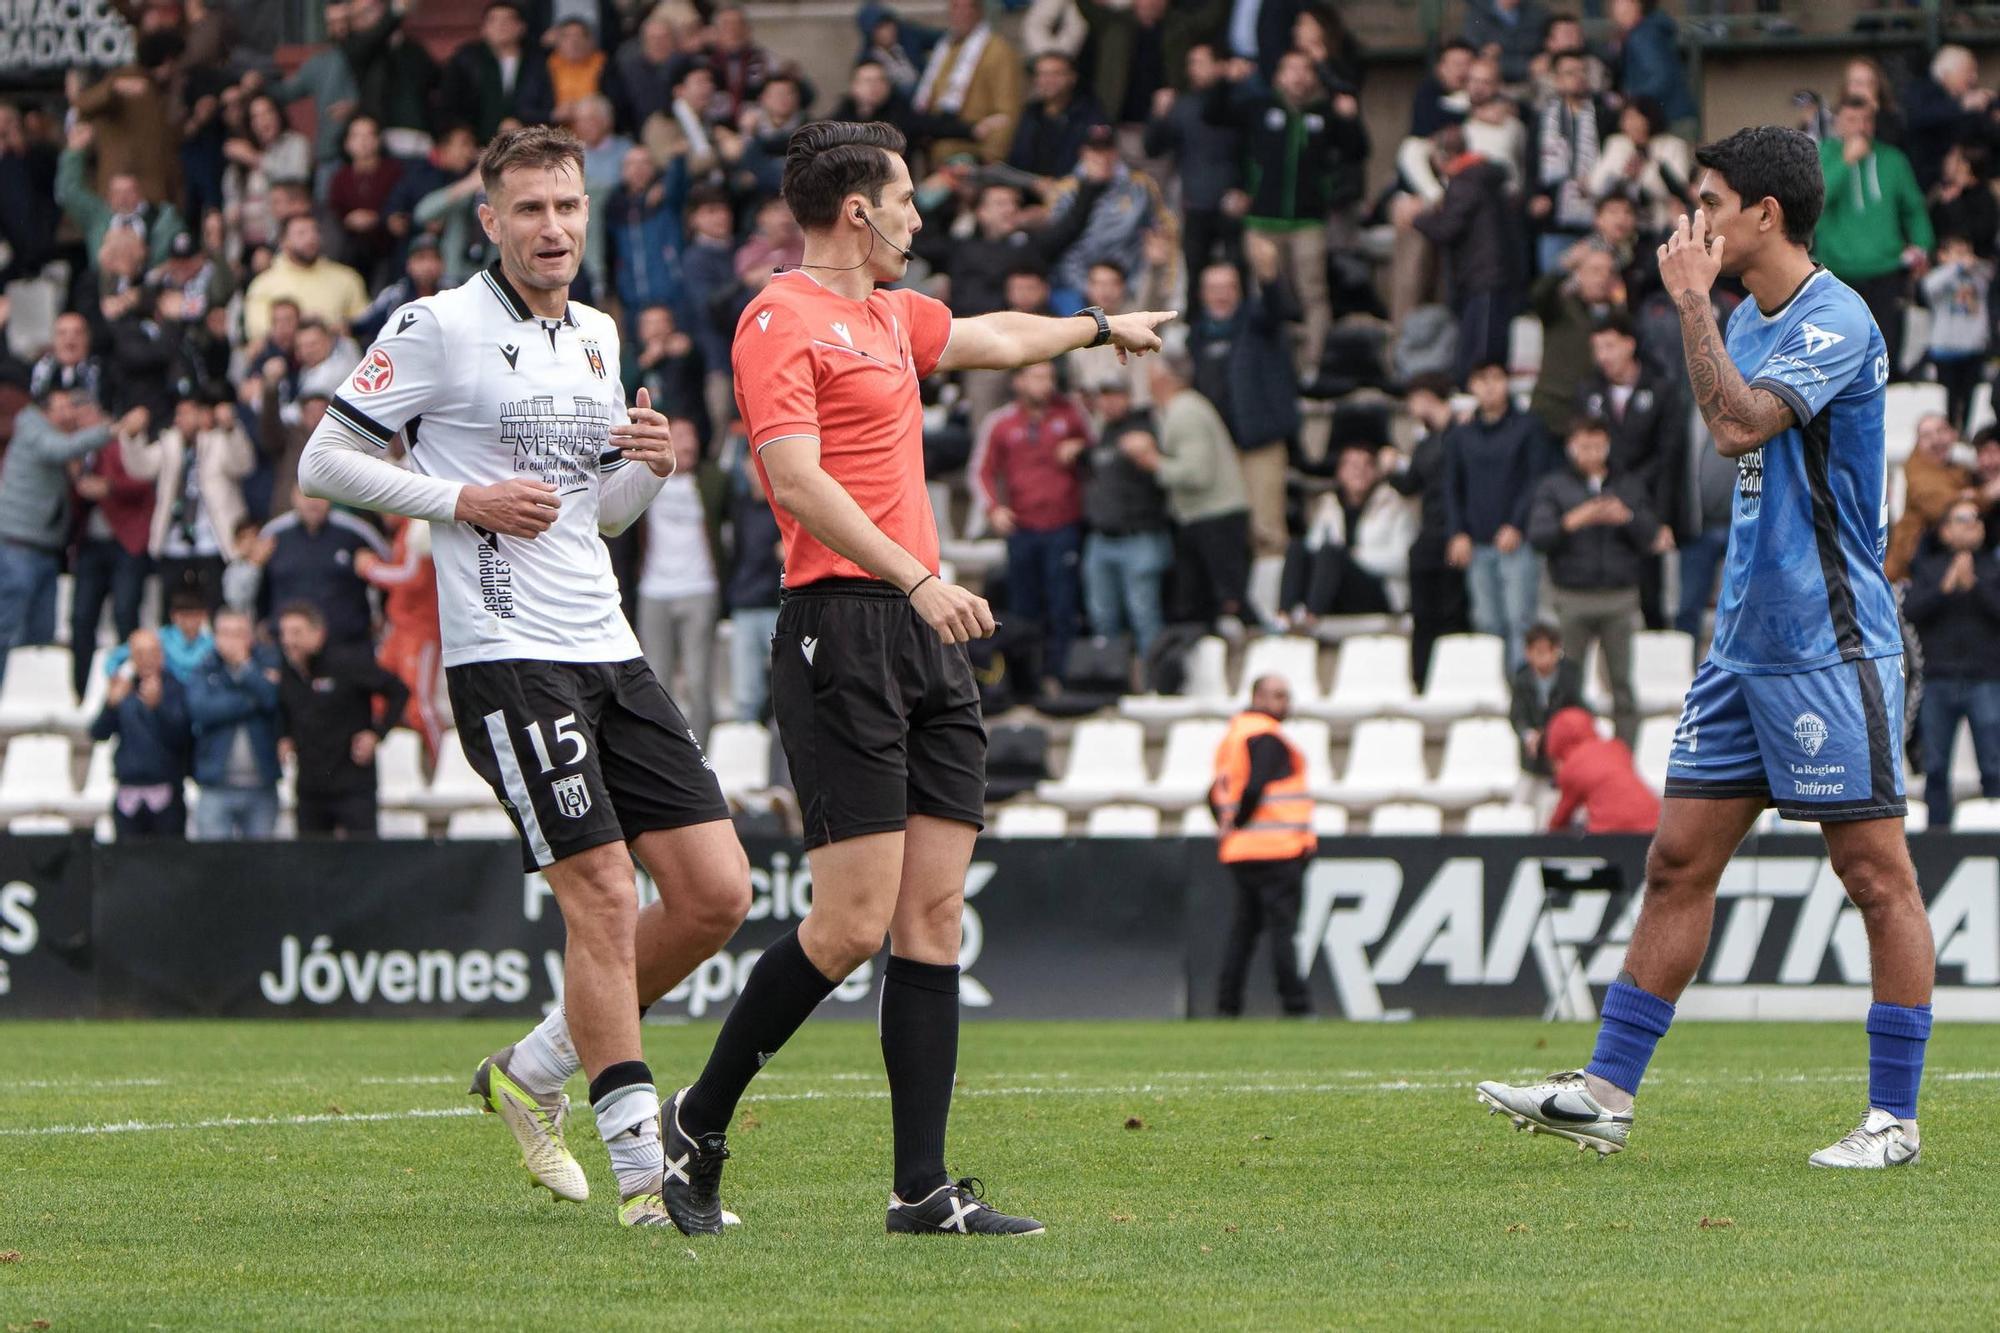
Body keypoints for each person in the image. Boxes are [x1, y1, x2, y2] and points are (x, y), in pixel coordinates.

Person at [715, 118, 1170, 1239]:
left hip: (919, 629)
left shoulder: (888, 315)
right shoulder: (779, 316)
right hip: (843, 624)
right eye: (907, 199)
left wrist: (1098, 327)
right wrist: (920, 578)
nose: (921, 217)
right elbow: (797, 486)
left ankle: (920, 1188)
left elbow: (994, 336)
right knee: (848, 923)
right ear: (858, 212)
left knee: (930, 915)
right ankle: (699, 1116)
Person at [298, 125, 753, 1229]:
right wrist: (459, 500)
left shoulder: (597, 336)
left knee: (715, 894)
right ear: (489, 221)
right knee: (600, 898)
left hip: (608, 643)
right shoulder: (437, 326)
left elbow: (591, 513)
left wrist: (647, 470)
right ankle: (648, 1181)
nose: (553, 227)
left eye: (568, 206)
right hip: (508, 659)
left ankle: (531, 1069)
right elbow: (323, 458)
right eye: (530, 210)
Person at [1476, 126, 1933, 1170]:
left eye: (1710, 202)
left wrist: (1686, 305)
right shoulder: (1744, 316)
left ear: (1763, 215)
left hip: (1831, 642)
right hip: (1741, 647)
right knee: (1675, 860)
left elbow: (1736, 427)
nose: (1693, 224)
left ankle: (1892, 1121)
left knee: (1873, 876)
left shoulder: (1836, 321)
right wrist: (1702, 310)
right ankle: (1602, 1092)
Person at [1528, 416, 1660, 745]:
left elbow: (1651, 534)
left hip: (1619, 595)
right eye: (1584, 446)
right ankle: (1570, 751)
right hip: (1572, 596)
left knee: (1622, 683)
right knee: (1568, 683)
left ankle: (1624, 755)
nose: (1592, 453)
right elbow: (1538, 536)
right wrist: (1573, 521)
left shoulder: (1626, 483)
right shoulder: (1554, 486)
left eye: (1598, 445)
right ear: (1571, 447)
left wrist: (1626, 517)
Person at [0, 389, 136, 679]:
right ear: (44, 411)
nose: (69, 414)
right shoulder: (31, 426)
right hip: (17, 547)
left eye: (72, 408)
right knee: (7, 629)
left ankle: (31, 704)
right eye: (61, 407)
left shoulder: (61, 439)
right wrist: (113, 429)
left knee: (40, 635)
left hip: (47, 551)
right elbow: (59, 449)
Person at [974, 361, 1090, 684]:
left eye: (1050, 377)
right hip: (1023, 528)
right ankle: (1027, 679)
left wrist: (1080, 447)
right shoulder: (1001, 423)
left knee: (1063, 603)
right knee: (1023, 609)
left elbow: (1097, 444)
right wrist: (993, 509)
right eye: (1037, 377)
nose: (1045, 384)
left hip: (1064, 525)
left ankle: (1060, 676)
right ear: (1019, 381)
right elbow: (980, 471)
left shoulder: (1070, 415)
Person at [1209, 673, 1317, 1018]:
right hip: (1277, 849)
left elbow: (1212, 794)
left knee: (1243, 931)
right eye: (1277, 696)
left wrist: (1228, 826)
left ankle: (1227, 1006)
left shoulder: (1234, 736)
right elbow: (1255, 788)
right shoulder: (1267, 738)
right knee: (1282, 931)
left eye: (1286, 696)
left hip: (1242, 853)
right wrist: (1239, 822)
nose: (1284, 703)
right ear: (1257, 697)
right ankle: (1295, 1005)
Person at [1445, 361, 1553, 672]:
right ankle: (1491, 686)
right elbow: (1452, 487)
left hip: (1515, 541)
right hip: (1476, 541)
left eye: (1496, 378)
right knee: (1485, 619)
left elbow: (1535, 480)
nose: (1489, 386)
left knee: (1519, 618)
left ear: (1507, 383)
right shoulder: (1461, 435)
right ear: (1471, 387)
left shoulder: (1528, 427)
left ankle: (1520, 693)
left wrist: (1517, 525)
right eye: (1481, 379)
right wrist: (1457, 533)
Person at [1815, 97, 1932, 380]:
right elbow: (1815, 201)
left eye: (1867, 120)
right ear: (1838, 123)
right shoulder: (1821, 156)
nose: (1861, 128)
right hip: (1838, 273)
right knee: (1840, 355)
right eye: (1852, 121)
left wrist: (1923, 245)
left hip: (1886, 271)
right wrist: (1846, 161)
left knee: (1885, 354)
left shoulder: (1893, 160)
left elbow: (1914, 209)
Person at [1136, 347, 1252, 629]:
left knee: (1228, 602)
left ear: (1164, 378)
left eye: (1151, 374)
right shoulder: (1180, 409)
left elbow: (1197, 474)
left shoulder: (1185, 412)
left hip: (1215, 518)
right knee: (1201, 604)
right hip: (1201, 517)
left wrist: (1152, 462)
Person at [275, 601, 410, 839]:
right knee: (311, 863)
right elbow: (285, 709)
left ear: (318, 633)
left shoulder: (347, 662)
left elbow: (399, 691)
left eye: (297, 632)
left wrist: (377, 734)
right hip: (309, 788)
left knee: (361, 861)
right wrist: (285, 736)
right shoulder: (288, 671)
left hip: (352, 786)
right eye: (284, 633)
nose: (288, 640)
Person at [1905, 497, 2000, 826]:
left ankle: (1992, 827)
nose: (1969, 525)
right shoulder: (1929, 568)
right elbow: (1911, 611)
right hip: (1939, 678)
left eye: (1975, 519)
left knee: (1993, 761)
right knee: (1935, 765)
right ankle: (1937, 832)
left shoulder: (1992, 567)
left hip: (1985, 678)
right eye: (1960, 519)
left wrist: (1975, 585)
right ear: (1945, 530)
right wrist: (1946, 586)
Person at [636, 430, 721, 744]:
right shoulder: (644, 479)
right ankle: (664, 753)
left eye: (691, 438)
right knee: (655, 681)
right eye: (681, 436)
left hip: (699, 588)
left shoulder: (711, 481)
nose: (689, 444)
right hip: (654, 590)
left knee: (699, 681)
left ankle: (700, 759)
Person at [1387, 376, 1471, 687]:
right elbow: (1412, 484)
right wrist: (1393, 469)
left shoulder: (1461, 435)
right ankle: (1421, 681)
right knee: (1424, 614)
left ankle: (1454, 679)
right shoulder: (1424, 443)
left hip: (1456, 532)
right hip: (1430, 533)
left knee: (1452, 612)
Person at [1078, 377, 1171, 654]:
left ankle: (1152, 682)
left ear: (1129, 398)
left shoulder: (1143, 427)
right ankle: (1109, 677)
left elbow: (1161, 462)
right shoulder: (1102, 433)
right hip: (1101, 538)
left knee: (1144, 614)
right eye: (1104, 396)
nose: (1109, 402)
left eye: (1116, 396)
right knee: (1101, 615)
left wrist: (1149, 446)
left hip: (1138, 535)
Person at [185, 608, 283, 841]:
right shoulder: (205, 667)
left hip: (261, 786)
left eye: (239, 633)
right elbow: (202, 710)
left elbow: (272, 698)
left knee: (260, 867)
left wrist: (246, 668)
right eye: (225, 633)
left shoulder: (267, 660)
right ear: (215, 636)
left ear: (250, 636)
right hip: (215, 785)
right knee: (215, 865)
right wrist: (251, 700)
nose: (232, 640)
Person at [89, 628, 194, 840]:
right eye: (140, 654)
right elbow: (98, 733)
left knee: (168, 863)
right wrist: (110, 705)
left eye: (152, 653)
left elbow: (182, 736)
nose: (146, 660)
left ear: (162, 655)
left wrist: (158, 707)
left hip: (166, 792)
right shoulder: (122, 689)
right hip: (128, 793)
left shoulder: (175, 688)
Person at [355, 513, 444, 759]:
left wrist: (370, 568)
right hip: (399, 626)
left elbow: (411, 576)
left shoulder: (419, 526)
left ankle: (441, 768)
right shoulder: (404, 529)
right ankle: (394, 765)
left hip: (421, 628)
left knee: (421, 706)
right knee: (379, 696)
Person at [259, 488, 389, 649]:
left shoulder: (356, 532)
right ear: (294, 496)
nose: (313, 502)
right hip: (285, 648)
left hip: (348, 644)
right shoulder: (272, 535)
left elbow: (389, 573)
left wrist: (385, 618)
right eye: (307, 495)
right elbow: (255, 583)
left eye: (320, 495)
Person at [1542, 704, 1661, 833]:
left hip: (1612, 832)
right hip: (1654, 822)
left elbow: (1561, 818)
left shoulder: (1571, 767)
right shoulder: (1616, 748)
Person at [1919, 235, 1992, 434]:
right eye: (1958, 253)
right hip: (1946, 348)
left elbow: (1990, 276)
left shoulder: (1978, 276)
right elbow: (1929, 287)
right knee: (1946, 400)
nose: (1964, 258)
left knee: (1970, 398)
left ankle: (1966, 434)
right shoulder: (1939, 277)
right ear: (1943, 255)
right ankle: (1945, 433)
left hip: (1973, 347)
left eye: (1966, 253)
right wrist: (1955, 268)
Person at [1510, 621, 1586, 777]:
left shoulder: (1570, 677)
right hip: (1532, 761)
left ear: (1557, 650)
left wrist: (1547, 735)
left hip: (1563, 755)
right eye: (1538, 651)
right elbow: (1517, 715)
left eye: (1548, 650)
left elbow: (1575, 710)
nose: (1543, 657)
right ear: (1528, 652)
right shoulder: (1521, 679)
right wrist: (1528, 734)